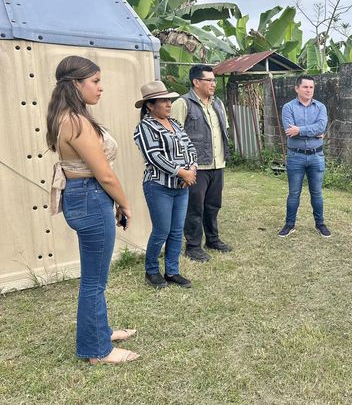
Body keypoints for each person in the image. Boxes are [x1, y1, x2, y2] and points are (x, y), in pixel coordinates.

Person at [47, 56, 139, 364]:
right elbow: (105, 175)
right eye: (95, 81)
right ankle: (96, 350)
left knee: (94, 278)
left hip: (84, 197)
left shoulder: (65, 116)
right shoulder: (76, 121)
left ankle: (100, 332)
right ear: (76, 84)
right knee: (94, 281)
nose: (100, 88)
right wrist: (125, 204)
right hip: (91, 197)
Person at [133, 81, 198, 288]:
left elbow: (190, 148)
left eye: (169, 100)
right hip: (158, 186)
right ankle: (151, 271)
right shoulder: (144, 127)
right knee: (162, 230)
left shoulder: (175, 124)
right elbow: (154, 157)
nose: (169, 104)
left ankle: (172, 271)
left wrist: (192, 169)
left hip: (181, 187)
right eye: (163, 101)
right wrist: (182, 173)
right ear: (150, 105)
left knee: (176, 231)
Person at [171, 65, 232, 262]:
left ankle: (212, 240)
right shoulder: (183, 103)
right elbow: (174, 137)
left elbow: (223, 131)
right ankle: (193, 246)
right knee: (194, 208)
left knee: (213, 205)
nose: (214, 84)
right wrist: (184, 167)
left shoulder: (218, 103)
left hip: (217, 164)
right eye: (209, 80)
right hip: (196, 167)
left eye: (214, 80)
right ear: (196, 82)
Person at [278, 75, 330, 238]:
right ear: (297, 88)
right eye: (305, 87)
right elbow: (289, 131)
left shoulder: (320, 107)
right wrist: (314, 132)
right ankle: (289, 224)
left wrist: (299, 130)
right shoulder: (288, 108)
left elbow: (321, 127)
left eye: (311, 87)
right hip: (295, 156)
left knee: (317, 193)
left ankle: (320, 224)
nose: (309, 90)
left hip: (316, 156)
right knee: (294, 193)